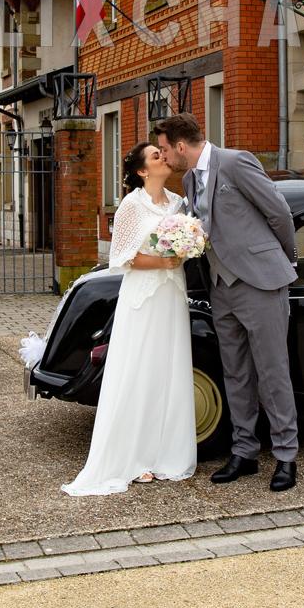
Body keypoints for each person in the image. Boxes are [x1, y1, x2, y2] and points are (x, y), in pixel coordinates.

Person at [154, 113, 299, 493]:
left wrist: (286, 261)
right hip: (220, 286)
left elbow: (278, 212)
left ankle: (286, 455)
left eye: (165, 150)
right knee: (235, 372)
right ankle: (244, 452)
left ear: (181, 146)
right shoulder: (190, 179)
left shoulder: (235, 162)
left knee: (272, 371)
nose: (164, 157)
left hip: (260, 282)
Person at [61, 142, 196, 495]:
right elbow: (122, 257)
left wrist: (185, 248)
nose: (162, 157)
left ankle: (165, 452)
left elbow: (183, 246)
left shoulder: (178, 203)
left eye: (161, 153)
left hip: (171, 294)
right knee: (140, 369)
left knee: (168, 368)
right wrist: (163, 261)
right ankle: (134, 457)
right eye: (155, 155)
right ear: (142, 171)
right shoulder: (132, 205)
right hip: (144, 297)